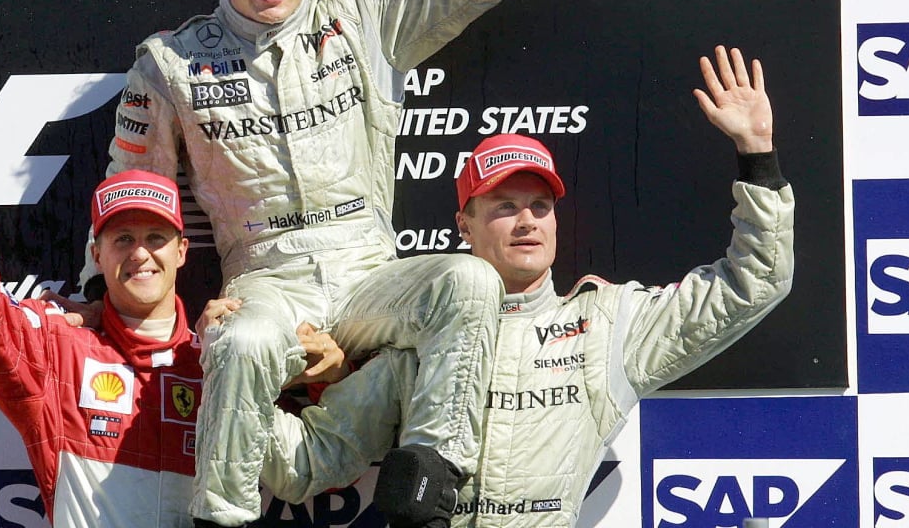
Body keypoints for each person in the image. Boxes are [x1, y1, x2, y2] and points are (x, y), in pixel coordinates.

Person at [78, 0, 625, 528]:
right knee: (238, 338)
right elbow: (129, 190)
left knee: (469, 279)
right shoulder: (170, 63)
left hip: (369, 274)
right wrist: (96, 301)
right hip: (267, 279)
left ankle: (427, 488)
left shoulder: (363, 13)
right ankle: (219, 519)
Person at [254, 46, 795, 528]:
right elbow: (312, 463)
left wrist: (758, 154)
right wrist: (235, 377)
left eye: (540, 206)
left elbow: (754, 283)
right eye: (505, 207)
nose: (527, 221)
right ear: (464, 225)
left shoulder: (608, 325)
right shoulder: (419, 336)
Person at [0, 63, 205, 527]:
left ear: (182, 251)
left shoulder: (220, 360)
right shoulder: (58, 352)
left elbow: (309, 453)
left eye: (156, 238)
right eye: (123, 239)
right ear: (97, 255)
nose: (140, 253)